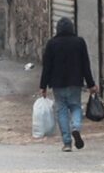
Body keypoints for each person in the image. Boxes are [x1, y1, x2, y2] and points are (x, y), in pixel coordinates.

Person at [38, 17, 95, 151]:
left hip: (57, 84)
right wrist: (91, 84)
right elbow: (85, 65)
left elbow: (47, 67)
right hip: (75, 82)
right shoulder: (79, 42)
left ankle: (67, 143)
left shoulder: (52, 44)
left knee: (62, 111)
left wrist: (43, 86)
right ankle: (76, 127)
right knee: (76, 107)